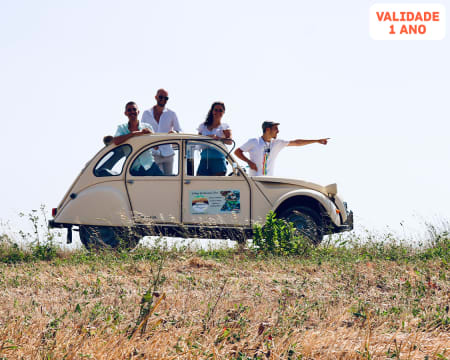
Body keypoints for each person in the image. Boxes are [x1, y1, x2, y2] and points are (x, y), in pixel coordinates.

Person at [234, 121, 329, 176]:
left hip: (269, 182)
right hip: (254, 181)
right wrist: (249, 162)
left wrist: (316, 140)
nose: (278, 131)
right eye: (275, 128)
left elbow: (297, 142)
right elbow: (237, 152)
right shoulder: (254, 141)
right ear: (267, 129)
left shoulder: (277, 143)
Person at [113, 101, 162, 176]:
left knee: (166, 186)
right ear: (125, 113)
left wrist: (151, 135)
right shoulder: (121, 128)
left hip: (150, 166)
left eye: (134, 109)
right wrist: (133, 134)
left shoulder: (147, 127)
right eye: (129, 110)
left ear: (138, 112)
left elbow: (156, 147)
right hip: (134, 170)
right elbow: (116, 141)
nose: (132, 112)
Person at [141, 89, 181, 175]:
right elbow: (142, 131)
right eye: (161, 97)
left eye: (166, 98)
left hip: (168, 153)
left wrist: (174, 132)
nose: (163, 99)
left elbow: (179, 131)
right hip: (152, 153)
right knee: (157, 181)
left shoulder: (171, 113)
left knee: (168, 182)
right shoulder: (146, 113)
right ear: (156, 97)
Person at [196, 102, 232, 176]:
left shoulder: (224, 126)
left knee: (217, 186)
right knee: (199, 184)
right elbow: (197, 141)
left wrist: (217, 138)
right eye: (216, 110)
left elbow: (230, 141)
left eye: (220, 110)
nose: (218, 112)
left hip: (218, 161)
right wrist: (206, 138)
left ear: (223, 112)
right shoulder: (202, 126)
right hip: (204, 160)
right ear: (212, 111)